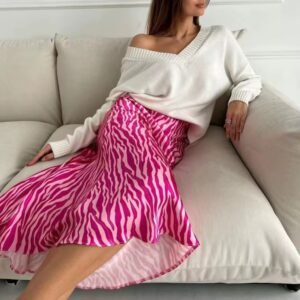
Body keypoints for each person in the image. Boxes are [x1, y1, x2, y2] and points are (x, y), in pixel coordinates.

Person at [0, 0, 262, 299]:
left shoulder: (219, 38)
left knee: (140, 186)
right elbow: (113, 102)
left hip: (167, 136)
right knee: (149, 183)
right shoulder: (143, 42)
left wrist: (239, 99)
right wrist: (67, 143)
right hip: (127, 120)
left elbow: (248, 78)